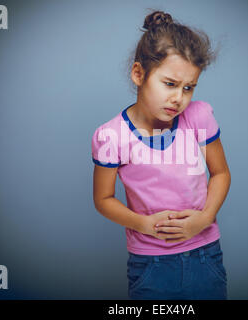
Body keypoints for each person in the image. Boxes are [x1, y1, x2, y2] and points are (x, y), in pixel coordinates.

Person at [91, 10, 231, 300]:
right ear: (139, 74)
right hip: (150, 263)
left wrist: (204, 218)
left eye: (188, 87)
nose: (179, 97)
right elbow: (103, 200)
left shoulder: (198, 117)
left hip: (205, 255)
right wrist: (143, 224)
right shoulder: (111, 136)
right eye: (170, 84)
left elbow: (220, 173)